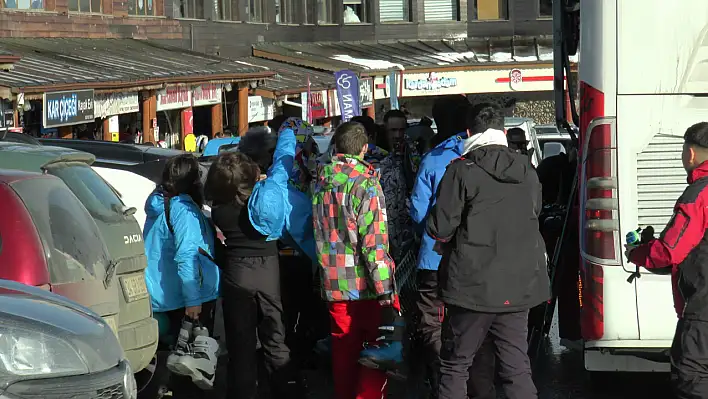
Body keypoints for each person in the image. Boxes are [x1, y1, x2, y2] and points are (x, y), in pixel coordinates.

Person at [427, 104, 549, 399]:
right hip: (519, 285)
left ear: (469, 133)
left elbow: (439, 227)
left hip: (472, 287)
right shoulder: (528, 171)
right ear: (504, 133)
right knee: (516, 366)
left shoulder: (460, 171)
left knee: (457, 365)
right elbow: (536, 213)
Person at [410, 98, 497, 399]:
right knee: (477, 331)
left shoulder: (434, 158)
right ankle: (479, 390)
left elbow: (419, 212)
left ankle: (444, 387)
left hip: (434, 260)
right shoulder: (487, 156)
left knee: (433, 326)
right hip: (475, 262)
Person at [206, 128, 302, 398]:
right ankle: (284, 390)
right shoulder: (263, 198)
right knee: (275, 336)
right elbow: (283, 163)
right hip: (268, 269)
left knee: (241, 344)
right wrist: (287, 134)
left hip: (236, 271)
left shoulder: (219, 207)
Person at [311, 121, 399, 399]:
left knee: (344, 353)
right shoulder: (366, 184)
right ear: (364, 148)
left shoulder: (322, 182)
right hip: (367, 286)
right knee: (376, 352)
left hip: (334, 282)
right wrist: (385, 289)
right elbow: (375, 243)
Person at [625, 122, 708, 399]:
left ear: (691, 154)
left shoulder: (698, 195)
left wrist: (637, 252)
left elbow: (670, 251)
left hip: (703, 308)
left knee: (691, 376)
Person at [143, 154, 221, 389]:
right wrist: (193, 300)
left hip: (163, 293)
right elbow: (186, 256)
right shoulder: (183, 210)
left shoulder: (159, 203)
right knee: (191, 368)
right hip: (185, 295)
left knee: (177, 362)